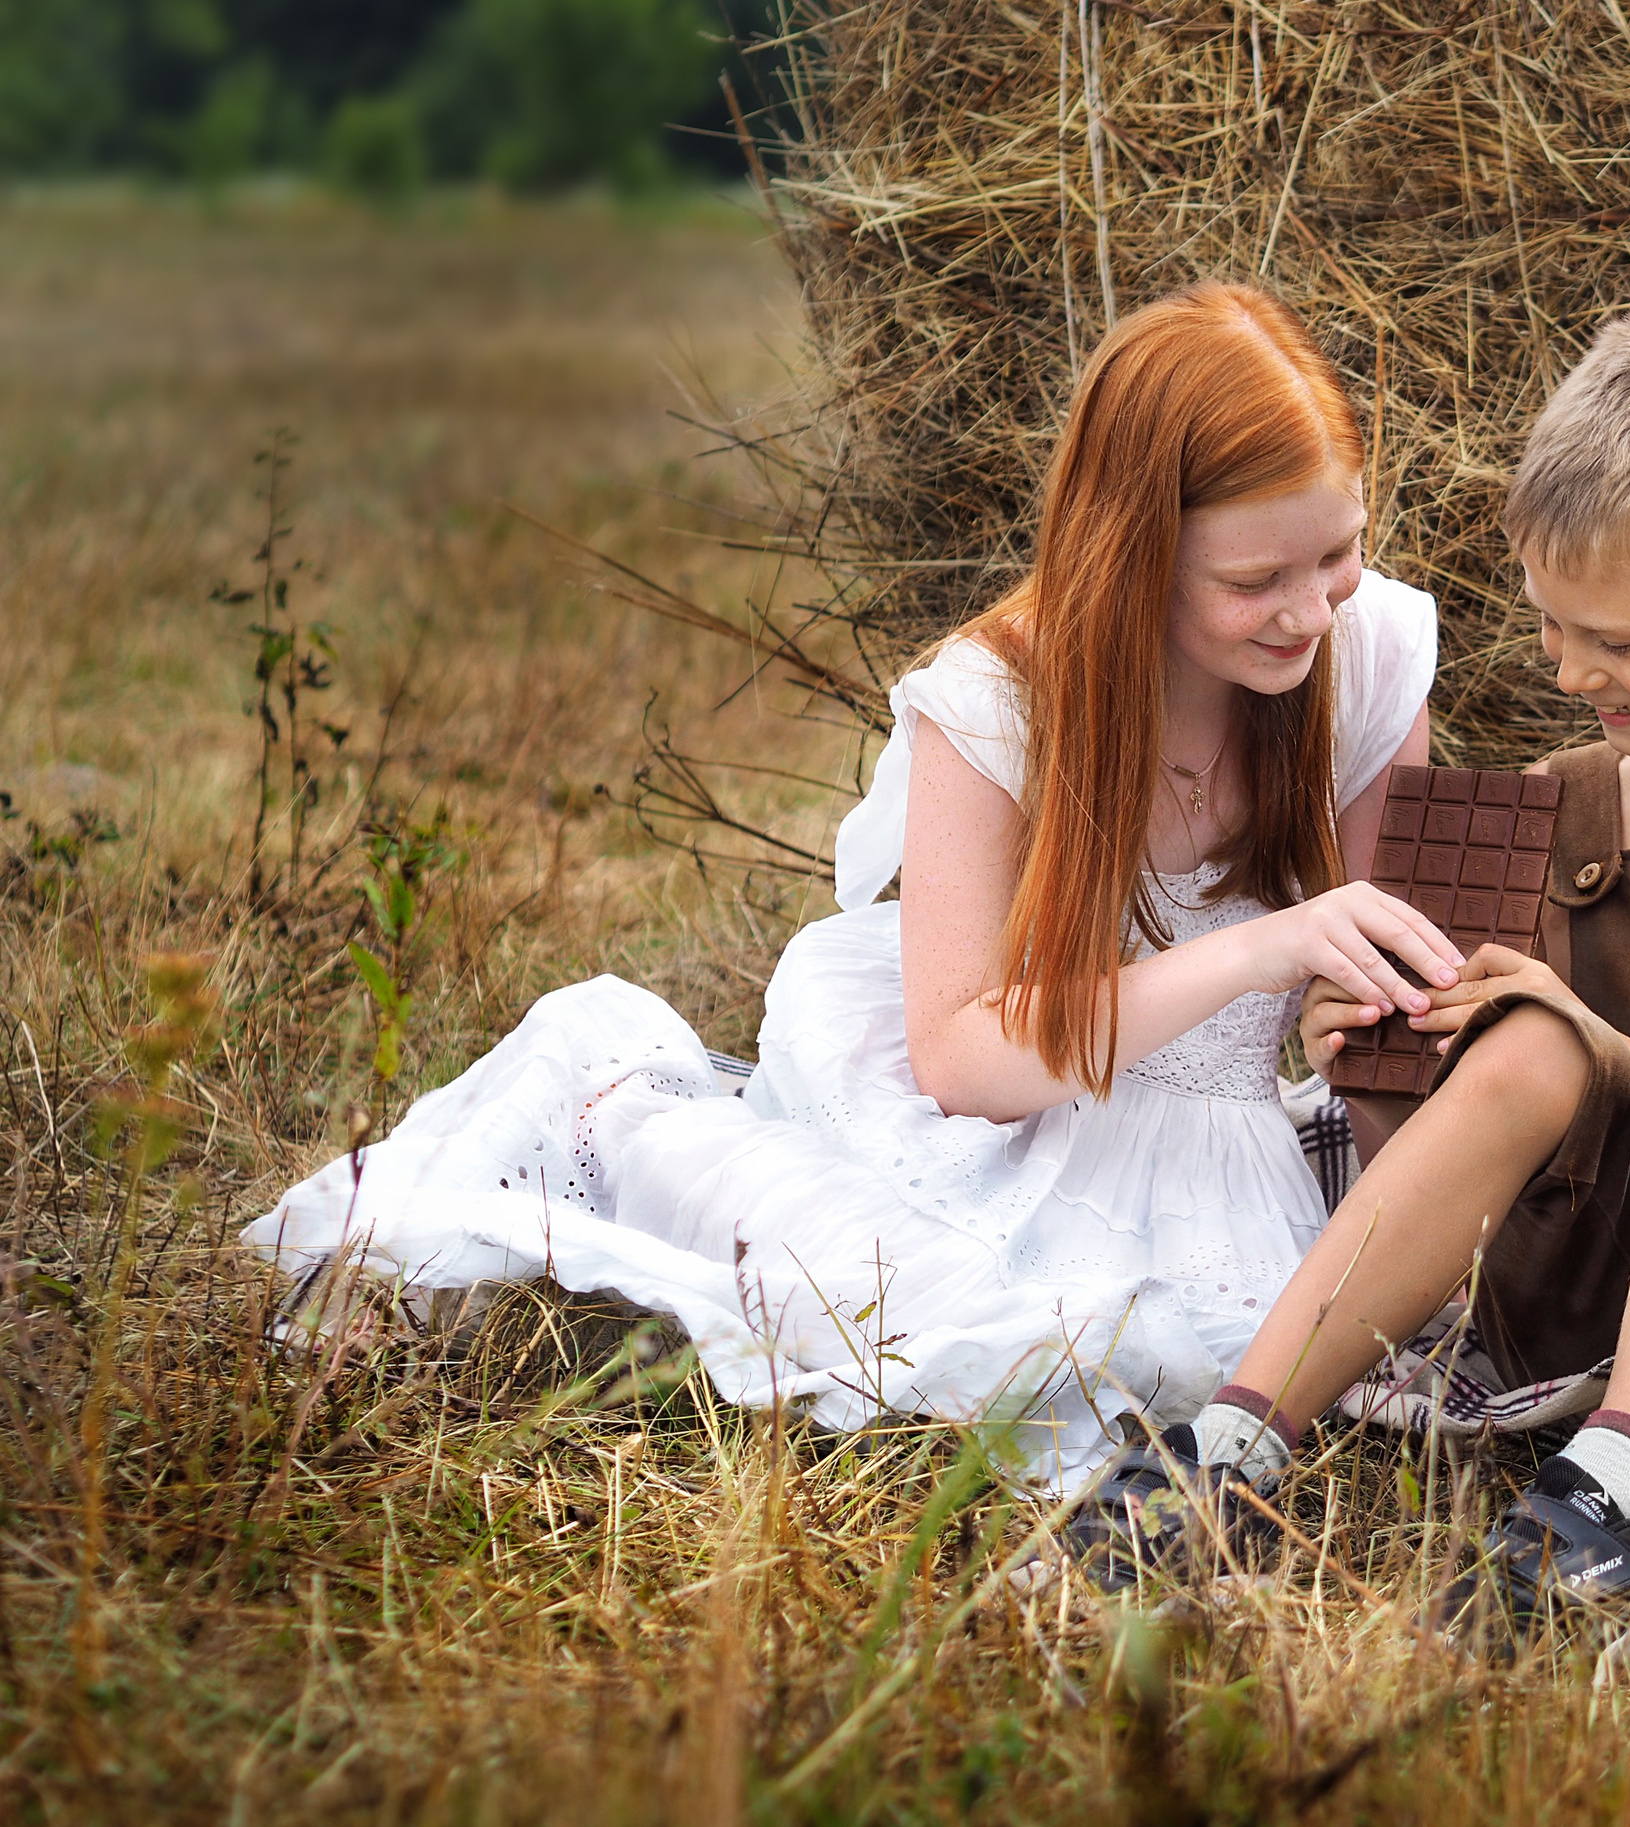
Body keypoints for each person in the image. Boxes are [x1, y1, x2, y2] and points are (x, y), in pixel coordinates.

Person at [246, 283, 1460, 1485]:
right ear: (1135, 552)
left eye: (1339, 553)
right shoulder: (997, 706)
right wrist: (1265, 948)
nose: (1310, 611)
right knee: (964, 1325)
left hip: (1221, 1154)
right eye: (1256, 581)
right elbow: (967, 1066)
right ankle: (614, 1122)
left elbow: (1385, 1019)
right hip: (998, 1120)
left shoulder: (1366, 664)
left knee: (1221, 1366)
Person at [1062, 305, 1630, 1620]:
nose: (1566, 674)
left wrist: (1615, 1045)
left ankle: (1617, 1493)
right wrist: (1377, 1056)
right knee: (1529, 1040)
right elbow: (1474, 1142)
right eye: (1553, 629)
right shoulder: (1558, 801)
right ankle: (1233, 1447)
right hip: (1578, 1290)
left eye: (1614, 644)